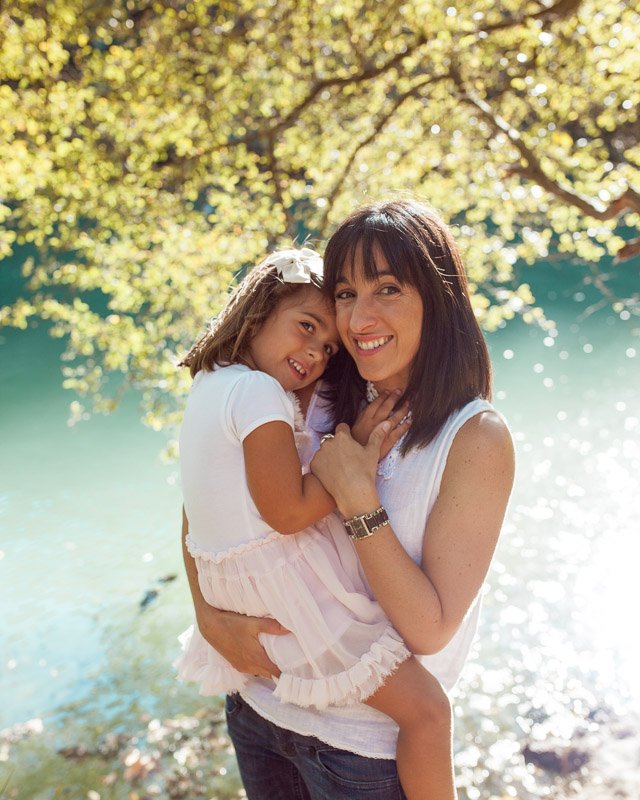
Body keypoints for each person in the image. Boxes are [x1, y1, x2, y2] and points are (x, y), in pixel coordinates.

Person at [181, 200, 515, 800]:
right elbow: (205, 495)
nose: (360, 318)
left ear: (436, 299)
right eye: (344, 293)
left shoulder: (473, 439)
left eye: (387, 289)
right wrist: (207, 615)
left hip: (364, 750)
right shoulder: (319, 386)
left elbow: (430, 629)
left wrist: (356, 496)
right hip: (259, 707)